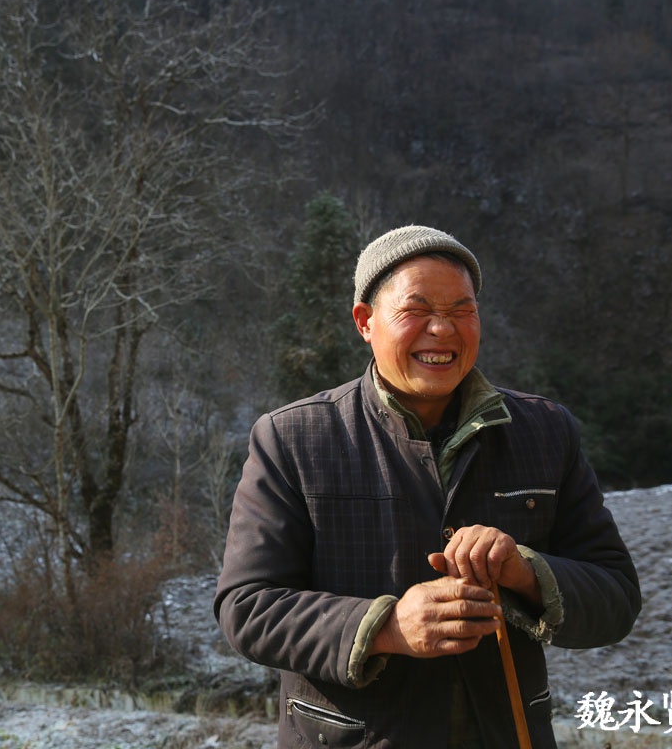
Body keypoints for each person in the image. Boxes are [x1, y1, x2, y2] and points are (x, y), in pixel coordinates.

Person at [214, 225, 641, 748]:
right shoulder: (294, 438)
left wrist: (525, 573)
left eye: (463, 311)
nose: (442, 329)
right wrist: (387, 627)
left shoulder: (547, 433)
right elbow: (248, 607)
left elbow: (616, 597)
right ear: (365, 322)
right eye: (416, 310)